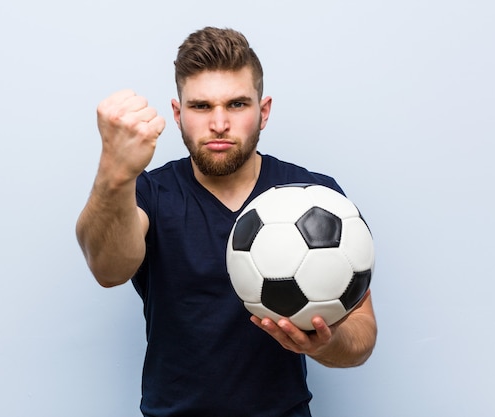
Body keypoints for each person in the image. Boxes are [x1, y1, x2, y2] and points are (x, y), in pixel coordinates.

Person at [76, 26, 377, 417]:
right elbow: (107, 269)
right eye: (201, 106)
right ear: (178, 113)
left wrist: (326, 343)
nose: (219, 123)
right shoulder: (148, 193)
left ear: (263, 111)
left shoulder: (318, 198)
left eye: (236, 104)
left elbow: (362, 332)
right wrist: (114, 172)